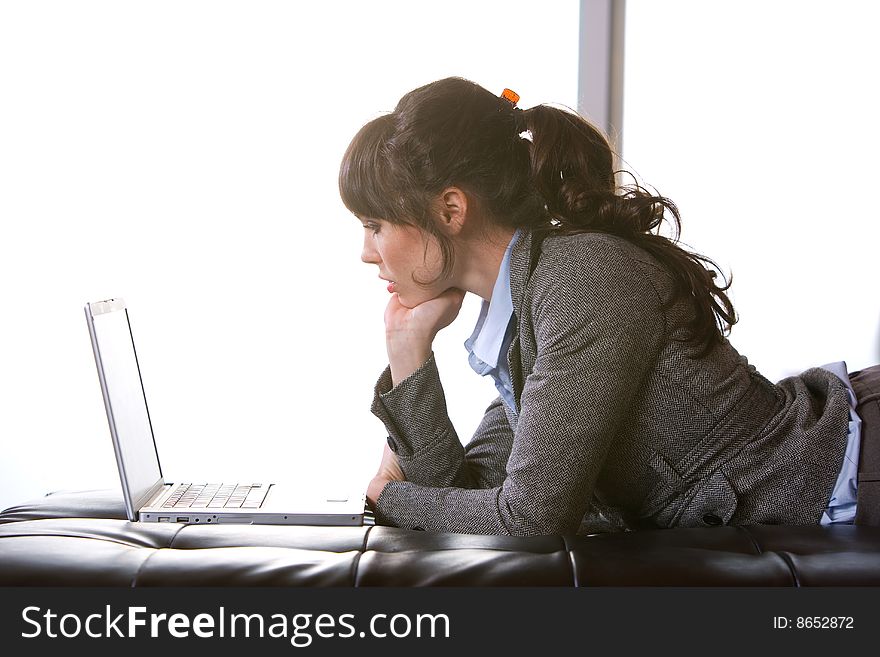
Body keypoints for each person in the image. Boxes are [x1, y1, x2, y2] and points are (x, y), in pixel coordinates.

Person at [338, 76, 879, 535]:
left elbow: (529, 517)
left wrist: (388, 498)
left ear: (451, 208)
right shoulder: (529, 312)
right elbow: (464, 499)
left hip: (852, 472)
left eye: (375, 225)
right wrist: (409, 354)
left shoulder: (581, 281)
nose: (367, 253)